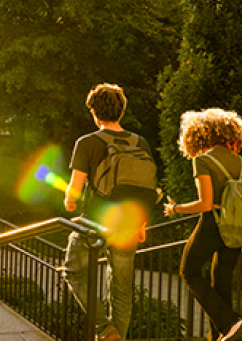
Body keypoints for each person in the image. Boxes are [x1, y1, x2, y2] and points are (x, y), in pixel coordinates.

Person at [62, 83, 158, 341]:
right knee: (122, 290)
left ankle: (104, 329)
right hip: (129, 222)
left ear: (94, 112)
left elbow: (75, 189)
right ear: (122, 111)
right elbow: (144, 186)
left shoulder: (87, 143)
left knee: (72, 271)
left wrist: (69, 203)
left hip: (95, 222)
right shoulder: (141, 142)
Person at [164, 108, 242, 341]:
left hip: (214, 223)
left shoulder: (203, 160)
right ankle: (223, 333)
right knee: (221, 282)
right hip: (237, 228)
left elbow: (205, 204)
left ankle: (229, 321)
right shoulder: (241, 162)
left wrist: (176, 209)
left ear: (199, 135)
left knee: (188, 271)